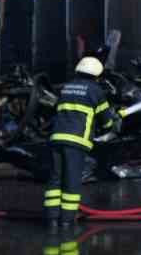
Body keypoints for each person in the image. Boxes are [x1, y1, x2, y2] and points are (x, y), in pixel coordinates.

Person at [46, 57, 120, 231]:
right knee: (71, 181)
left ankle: (51, 219)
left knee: (55, 180)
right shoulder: (95, 90)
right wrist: (113, 121)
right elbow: (106, 122)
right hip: (76, 142)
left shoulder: (66, 87)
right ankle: (67, 221)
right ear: (96, 75)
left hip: (56, 139)